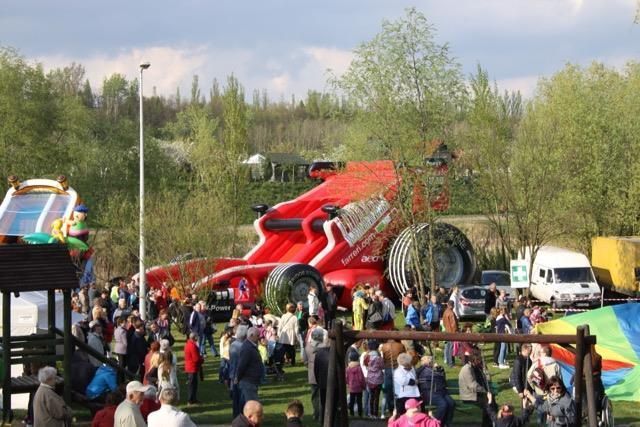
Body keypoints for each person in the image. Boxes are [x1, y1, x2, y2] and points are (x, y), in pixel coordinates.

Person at [416, 356, 454, 427]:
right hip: (429, 393)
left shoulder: (436, 369)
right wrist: (425, 366)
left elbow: (442, 378)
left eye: (431, 361)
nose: (431, 363)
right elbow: (417, 373)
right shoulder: (421, 370)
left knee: (451, 403)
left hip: (441, 392)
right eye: (429, 362)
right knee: (443, 404)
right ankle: (434, 423)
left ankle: (446, 423)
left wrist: (439, 369)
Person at [235, 327, 264, 407]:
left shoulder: (250, 346)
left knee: (248, 403)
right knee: (252, 404)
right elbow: (242, 365)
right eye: (257, 336)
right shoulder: (247, 348)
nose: (259, 338)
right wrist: (238, 377)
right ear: (251, 335)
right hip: (248, 381)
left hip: (251, 380)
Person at [459, 354, 491, 427]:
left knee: (491, 402)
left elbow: (488, 379)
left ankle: (489, 423)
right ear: (474, 361)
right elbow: (472, 385)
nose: (480, 362)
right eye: (479, 361)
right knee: (487, 404)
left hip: (477, 394)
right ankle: (486, 424)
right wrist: (484, 391)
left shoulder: (477, 368)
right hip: (469, 396)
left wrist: (485, 368)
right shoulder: (467, 369)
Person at [303, 327, 326, 421]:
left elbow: (305, 361)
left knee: (315, 395)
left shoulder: (307, 346)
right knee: (323, 395)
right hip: (323, 373)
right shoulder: (324, 346)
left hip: (312, 373)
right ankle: (322, 414)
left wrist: (309, 366)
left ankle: (316, 414)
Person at [380, 334, 405, 415]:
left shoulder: (384, 346)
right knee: (400, 389)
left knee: (389, 390)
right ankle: (399, 408)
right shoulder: (400, 346)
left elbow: (383, 359)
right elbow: (403, 358)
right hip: (398, 368)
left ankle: (391, 409)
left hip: (388, 369)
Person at [393, 353, 420, 417]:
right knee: (404, 415)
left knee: (416, 414)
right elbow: (404, 381)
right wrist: (415, 382)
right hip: (403, 395)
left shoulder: (412, 368)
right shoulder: (398, 371)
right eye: (409, 362)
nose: (411, 363)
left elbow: (414, 376)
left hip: (415, 394)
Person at [277, 303, 299, 375]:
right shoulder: (295, 317)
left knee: (283, 349)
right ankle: (292, 361)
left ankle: (282, 361)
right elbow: (296, 329)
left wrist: (278, 334)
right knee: (291, 348)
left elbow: (280, 326)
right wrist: (297, 337)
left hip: (284, 334)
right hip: (291, 334)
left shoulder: (283, 316)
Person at [365, 340, 384, 418]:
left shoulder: (367, 356)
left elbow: (365, 364)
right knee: (377, 397)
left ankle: (371, 413)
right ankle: (375, 414)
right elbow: (382, 366)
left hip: (370, 378)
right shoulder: (379, 358)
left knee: (371, 396)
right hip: (378, 378)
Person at [183, 332, 203, 405]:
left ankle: (193, 398)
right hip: (192, 367)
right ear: (194, 337)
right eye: (197, 336)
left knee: (193, 384)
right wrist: (202, 359)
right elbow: (196, 359)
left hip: (190, 367)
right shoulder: (192, 346)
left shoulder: (188, 344)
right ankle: (191, 399)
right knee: (192, 384)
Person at [346, 351, 366, 417]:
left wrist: (348, 384)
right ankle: (360, 414)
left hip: (352, 387)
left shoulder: (348, 368)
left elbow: (346, 378)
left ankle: (351, 413)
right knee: (359, 401)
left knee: (352, 401)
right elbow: (361, 378)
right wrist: (363, 386)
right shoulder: (359, 368)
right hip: (359, 388)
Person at [442, 301, 458, 367]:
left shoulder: (445, 312)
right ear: (452, 305)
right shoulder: (451, 313)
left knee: (448, 348)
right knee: (451, 348)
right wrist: (456, 331)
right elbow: (453, 324)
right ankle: (451, 363)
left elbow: (444, 323)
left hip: (447, 332)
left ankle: (449, 362)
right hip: (452, 333)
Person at [114, 316, 128, 383]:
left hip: (117, 348)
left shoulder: (116, 329)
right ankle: (121, 380)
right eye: (124, 323)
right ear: (120, 323)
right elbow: (125, 342)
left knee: (120, 364)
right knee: (122, 365)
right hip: (122, 349)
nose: (126, 324)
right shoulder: (123, 331)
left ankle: (120, 379)